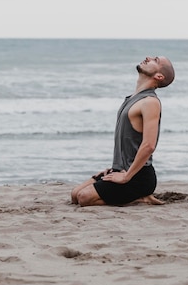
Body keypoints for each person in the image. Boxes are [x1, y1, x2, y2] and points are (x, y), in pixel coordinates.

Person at [71, 56, 175, 206]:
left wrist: (126, 177)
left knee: (84, 198)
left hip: (138, 177)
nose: (148, 58)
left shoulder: (150, 102)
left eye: (155, 60)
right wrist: (116, 168)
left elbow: (149, 145)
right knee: (75, 195)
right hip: (120, 170)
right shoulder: (132, 98)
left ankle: (141, 197)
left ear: (159, 76)